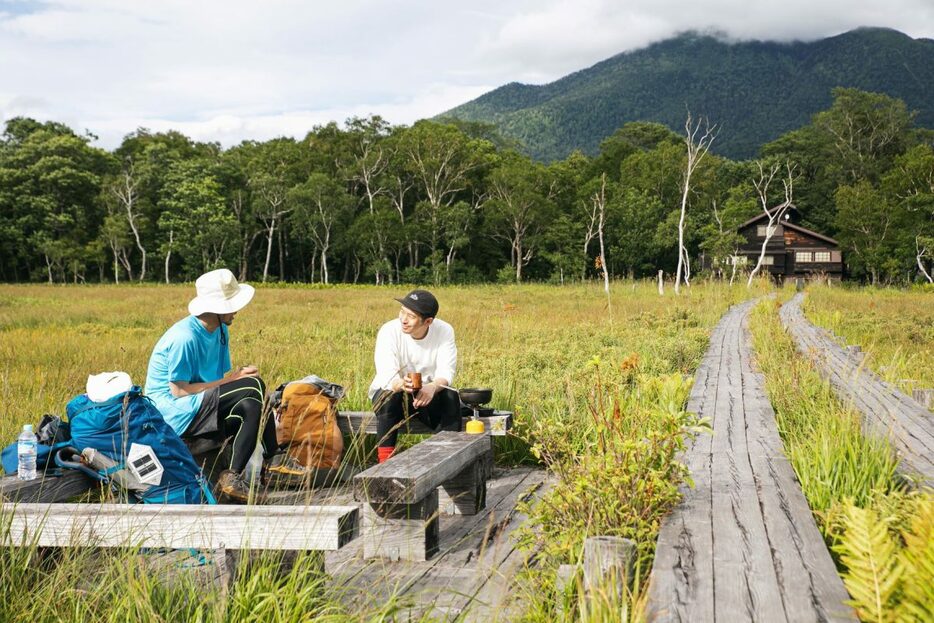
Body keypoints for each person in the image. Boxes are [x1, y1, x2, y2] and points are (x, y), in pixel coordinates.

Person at [144, 268, 307, 502]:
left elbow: (217, 384)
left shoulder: (220, 331)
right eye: (232, 304)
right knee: (253, 385)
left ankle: (232, 477)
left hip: (199, 404)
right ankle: (274, 458)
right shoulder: (184, 338)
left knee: (251, 403)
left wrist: (241, 384)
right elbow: (178, 391)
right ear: (217, 309)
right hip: (174, 410)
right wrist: (234, 379)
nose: (237, 310)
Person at [368, 289, 461, 463]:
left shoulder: (444, 330)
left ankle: (446, 459)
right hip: (392, 392)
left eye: (410, 316)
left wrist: (432, 387)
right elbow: (386, 373)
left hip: (426, 394)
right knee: (390, 398)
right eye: (402, 312)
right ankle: (384, 465)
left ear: (428, 321)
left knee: (450, 396)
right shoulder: (389, 330)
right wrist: (401, 384)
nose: (403, 319)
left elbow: (446, 372)